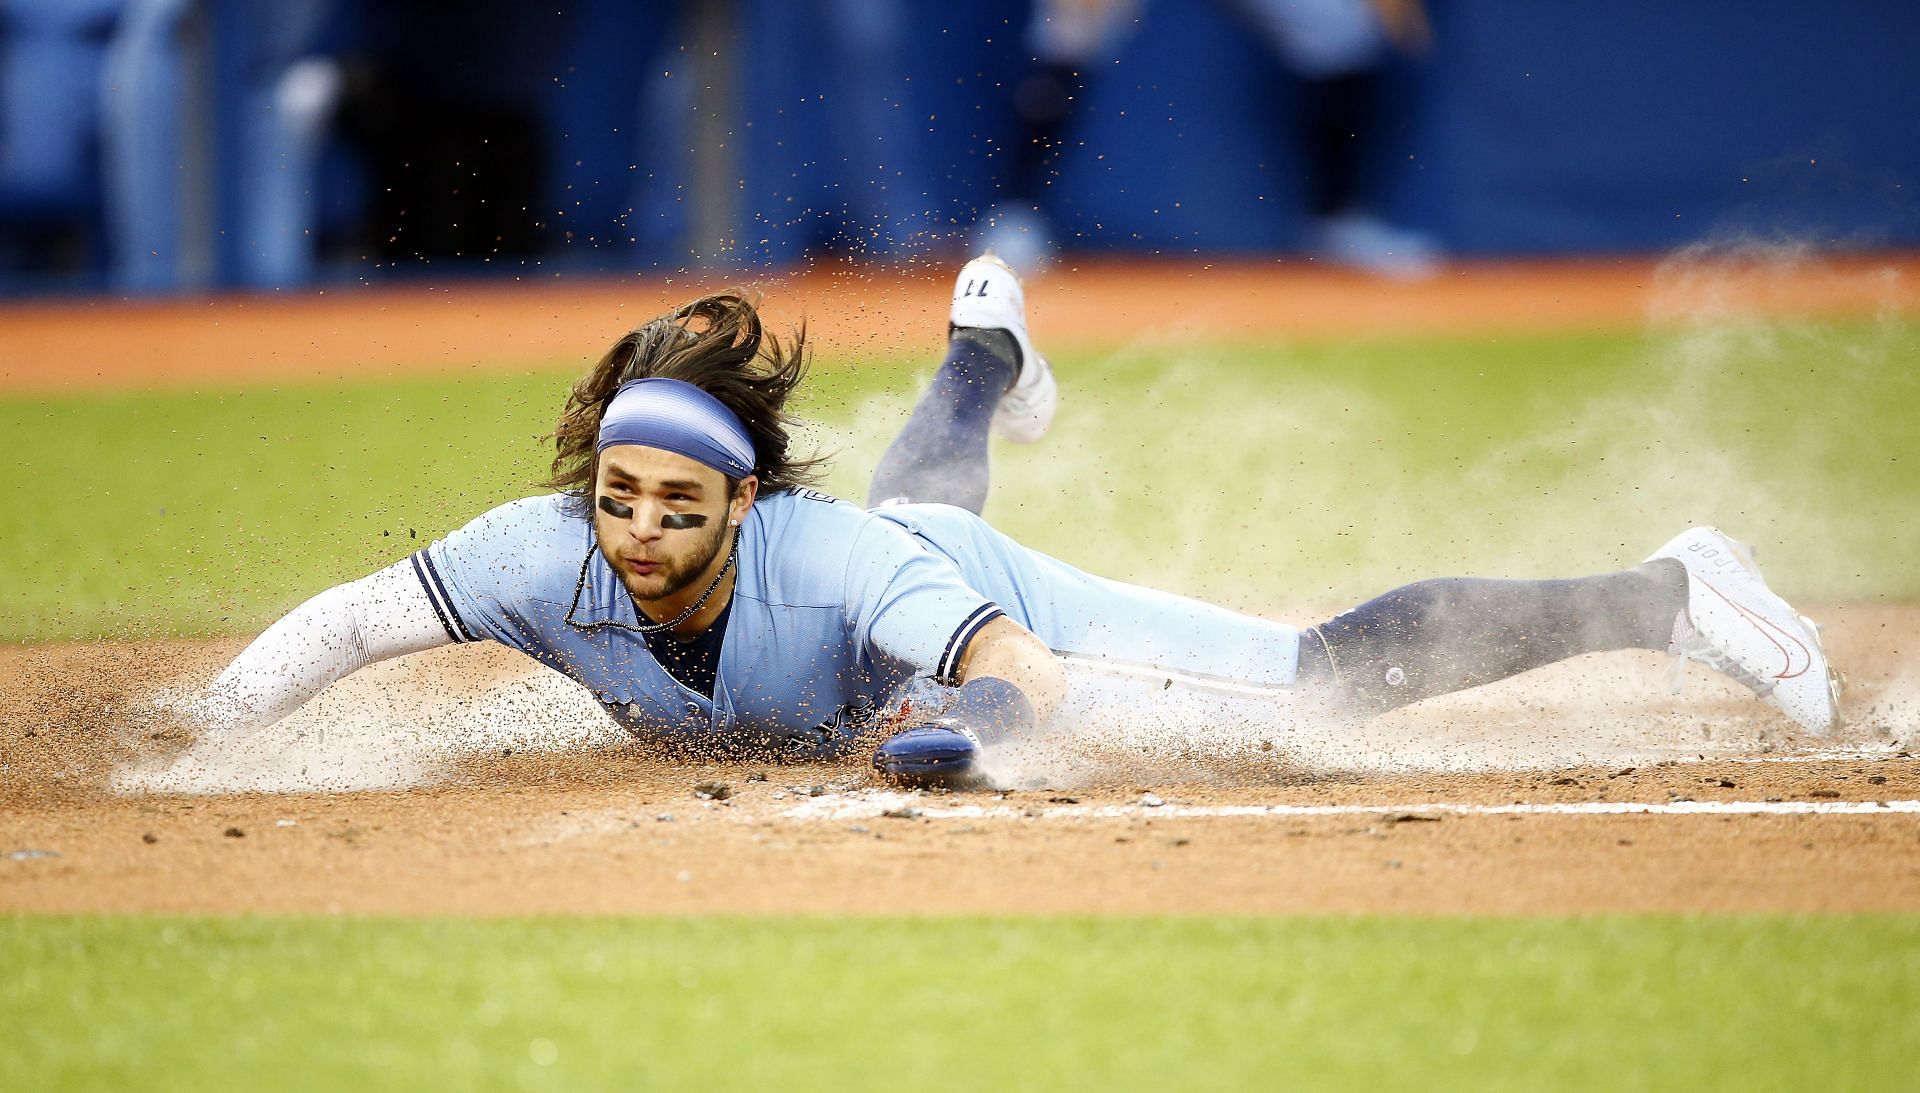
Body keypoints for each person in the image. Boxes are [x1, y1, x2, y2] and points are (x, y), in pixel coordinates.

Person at [180, 253, 1840, 789]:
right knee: (909, 496)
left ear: (741, 505)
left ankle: (1671, 589)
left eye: (674, 506)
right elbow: (346, 620)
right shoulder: (534, 553)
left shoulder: (823, 559)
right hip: (884, 565)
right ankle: (983, 354)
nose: (631, 532)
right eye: (615, 497)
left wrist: (962, 735)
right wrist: (214, 728)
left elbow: (1008, 662)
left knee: (1317, 685)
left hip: (949, 597)